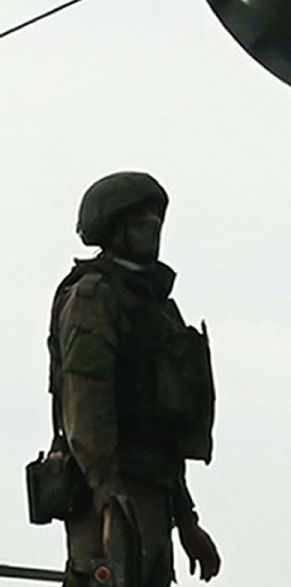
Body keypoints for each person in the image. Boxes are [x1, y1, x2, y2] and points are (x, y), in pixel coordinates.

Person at [50, 172, 222, 586]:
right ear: (113, 228)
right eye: (138, 216)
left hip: (150, 494)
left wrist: (186, 519)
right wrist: (108, 498)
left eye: (154, 214)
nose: (152, 223)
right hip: (110, 495)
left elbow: (165, 430)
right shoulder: (95, 298)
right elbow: (85, 407)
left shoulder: (157, 308)